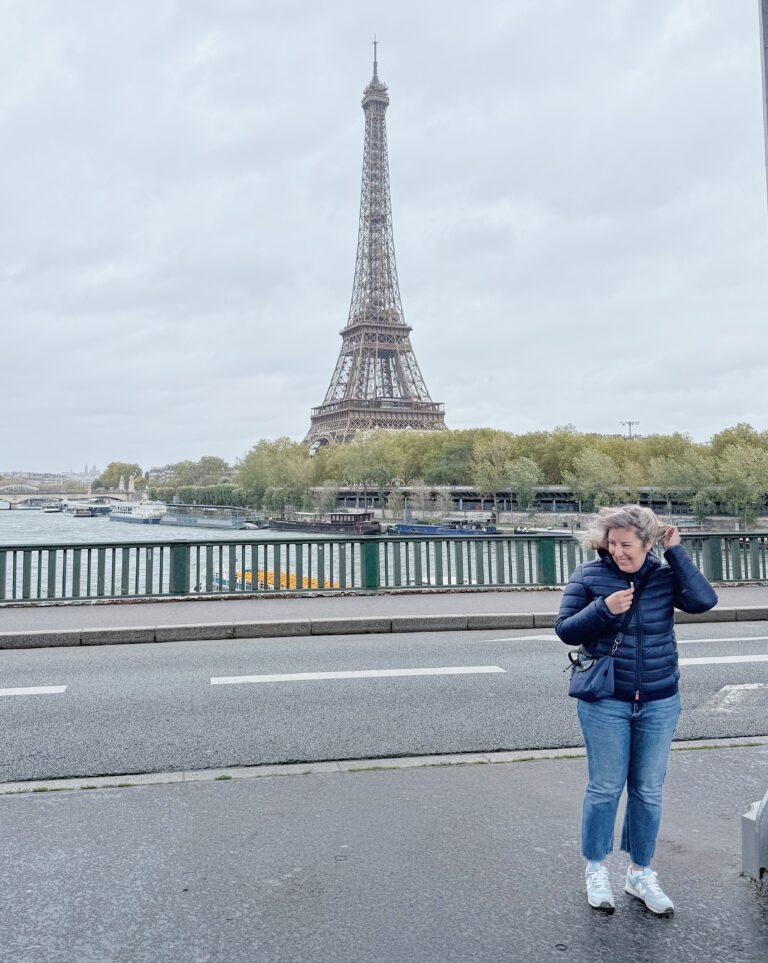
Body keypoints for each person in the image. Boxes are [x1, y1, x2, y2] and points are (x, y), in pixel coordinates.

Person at [555, 505, 717, 916]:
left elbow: (704, 601)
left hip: (659, 699)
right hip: (606, 699)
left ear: (648, 543)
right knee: (605, 788)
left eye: (626, 544)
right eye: (612, 543)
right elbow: (565, 630)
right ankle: (596, 868)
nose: (617, 551)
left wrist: (676, 552)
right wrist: (604, 608)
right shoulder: (588, 575)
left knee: (647, 790)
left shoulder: (665, 576)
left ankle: (640, 873)